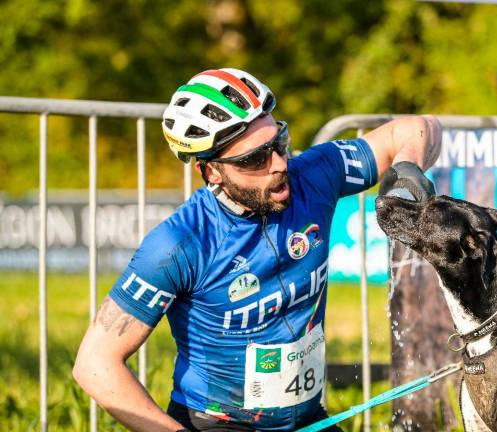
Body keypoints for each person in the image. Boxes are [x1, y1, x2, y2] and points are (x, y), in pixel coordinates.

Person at [72, 68, 442, 432]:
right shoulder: (180, 244)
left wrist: (407, 168)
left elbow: (419, 127)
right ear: (211, 171)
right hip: (217, 424)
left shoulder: (312, 177)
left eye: (279, 142)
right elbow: (95, 363)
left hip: (306, 417)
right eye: (255, 158)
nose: (279, 164)